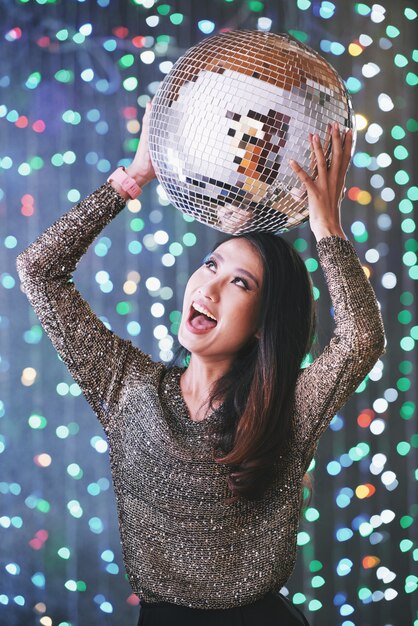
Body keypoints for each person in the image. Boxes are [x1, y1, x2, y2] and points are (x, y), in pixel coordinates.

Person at [16, 101, 385, 626]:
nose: (209, 286)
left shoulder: (286, 408)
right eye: (212, 264)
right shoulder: (127, 386)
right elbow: (39, 269)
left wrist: (327, 224)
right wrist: (135, 176)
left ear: (262, 322)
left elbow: (361, 338)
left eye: (239, 282)